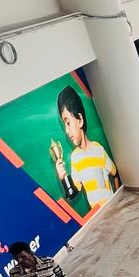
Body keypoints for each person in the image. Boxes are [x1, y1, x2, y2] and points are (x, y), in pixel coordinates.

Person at [51, 84, 119, 212]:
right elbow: (73, 192)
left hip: (113, 210)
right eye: (64, 124)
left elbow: (115, 174)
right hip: (99, 216)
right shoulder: (75, 158)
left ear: (80, 120)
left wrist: (118, 200)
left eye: (68, 123)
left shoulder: (99, 149)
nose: (66, 131)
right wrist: (63, 177)